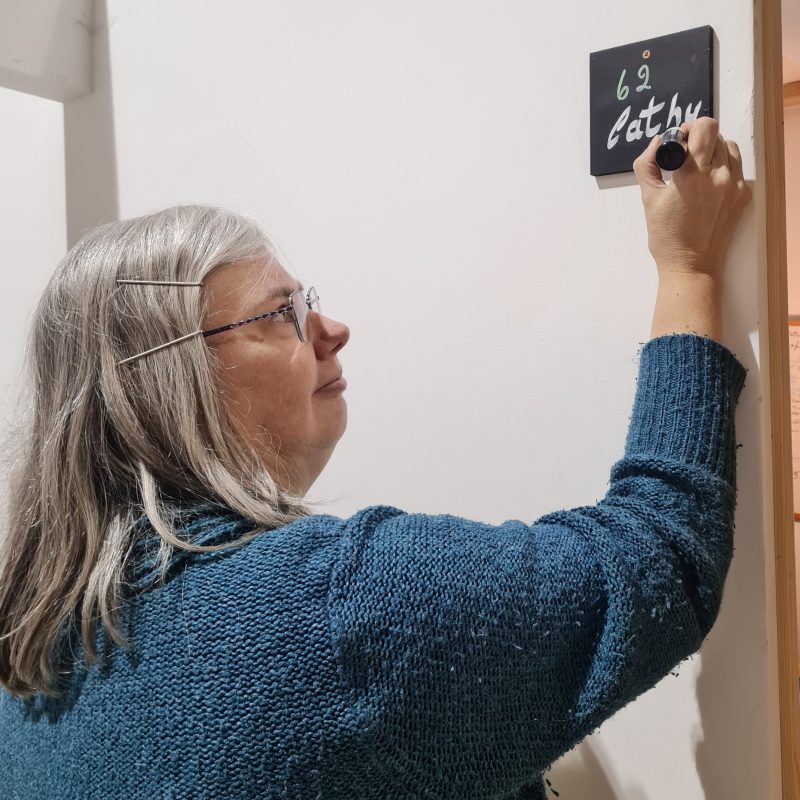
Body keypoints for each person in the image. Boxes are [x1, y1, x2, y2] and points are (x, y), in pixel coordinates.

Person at [0, 116, 751, 799]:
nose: (332, 328)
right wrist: (690, 268)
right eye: (283, 313)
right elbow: (658, 556)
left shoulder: (28, 658)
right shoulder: (338, 608)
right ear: (174, 381)